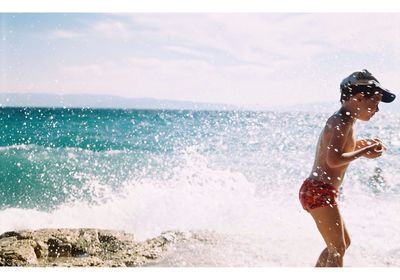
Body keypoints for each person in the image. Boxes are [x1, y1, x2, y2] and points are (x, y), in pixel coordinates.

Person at [298, 69, 396, 267]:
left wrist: (362, 146)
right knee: (337, 248)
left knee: (342, 244)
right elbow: (334, 160)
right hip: (319, 190)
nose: (377, 110)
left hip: (319, 190)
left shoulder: (345, 119)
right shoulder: (341, 121)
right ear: (359, 98)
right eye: (375, 104)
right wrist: (364, 151)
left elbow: (340, 150)